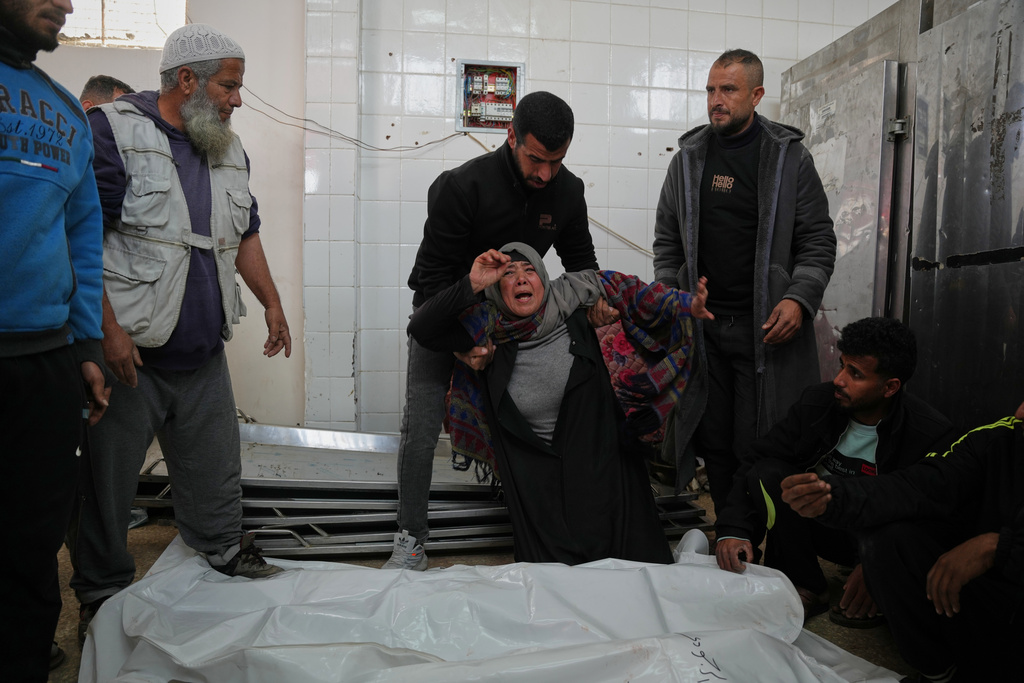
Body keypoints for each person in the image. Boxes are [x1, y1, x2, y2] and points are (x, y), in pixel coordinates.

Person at [70, 23, 292, 646]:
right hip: (130, 355)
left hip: (201, 353)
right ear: (187, 81)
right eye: (230, 85)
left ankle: (222, 549)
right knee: (108, 486)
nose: (237, 99)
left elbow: (244, 232)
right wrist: (107, 332)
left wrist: (272, 303)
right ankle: (99, 591)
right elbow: (81, 235)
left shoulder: (225, 145)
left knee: (216, 470)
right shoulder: (113, 131)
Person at [386, 91, 603, 570]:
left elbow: (583, 265)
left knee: (541, 418)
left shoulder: (567, 191)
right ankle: (410, 539)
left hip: (508, 323)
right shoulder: (461, 188)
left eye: (557, 161)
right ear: (509, 136)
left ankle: (552, 528)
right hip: (445, 314)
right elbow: (427, 293)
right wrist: (463, 345)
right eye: (536, 160)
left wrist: (598, 308)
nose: (546, 174)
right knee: (421, 425)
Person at [407, 243, 712, 564]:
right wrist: (471, 284)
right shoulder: (487, 327)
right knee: (553, 587)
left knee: (635, 570)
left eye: (530, 271)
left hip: (605, 465)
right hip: (534, 479)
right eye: (509, 274)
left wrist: (688, 303)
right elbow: (422, 328)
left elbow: (638, 295)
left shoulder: (580, 300)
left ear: (543, 277)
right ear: (496, 289)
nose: (522, 279)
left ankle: (682, 558)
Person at [651, 48, 836, 519]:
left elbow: (817, 239)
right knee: (712, 437)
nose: (716, 99)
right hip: (704, 329)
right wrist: (673, 297)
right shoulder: (688, 159)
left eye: (728, 90)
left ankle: (752, 531)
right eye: (711, 90)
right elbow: (667, 242)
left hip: (766, 330)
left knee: (756, 439)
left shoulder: (788, 158)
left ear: (756, 95)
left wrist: (799, 298)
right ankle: (730, 531)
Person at [714, 317, 956, 626]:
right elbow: (759, 457)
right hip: (820, 524)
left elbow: (931, 515)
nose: (839, 379)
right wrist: (734, 528)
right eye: (842, 366)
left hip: (872, 535)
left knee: (906, 520)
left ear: (890, 387)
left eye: (855, 373)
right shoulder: (818, 402)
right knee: (768, 473)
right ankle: (805, 583)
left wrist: (877, 564)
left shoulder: (928, 433)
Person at [0, 1, 110, 679]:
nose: (67, 3)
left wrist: (88, 345)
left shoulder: (66, 113)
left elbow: (82, 237)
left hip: (41, 360)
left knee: (32, 540)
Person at [781, 400, 1024, 682]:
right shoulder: (999, 439)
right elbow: (917, 486)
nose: (1020, 412)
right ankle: (940, 674)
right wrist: (832, 498)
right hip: (986, 602)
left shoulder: (926, 425)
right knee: (888, 538)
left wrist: (998, 547)